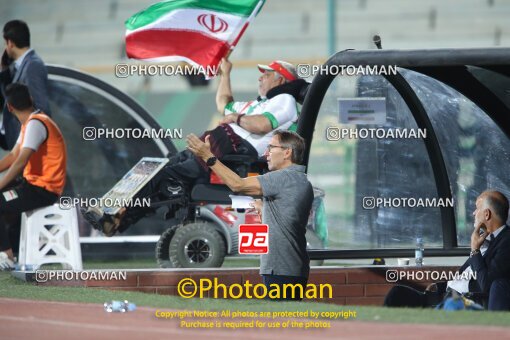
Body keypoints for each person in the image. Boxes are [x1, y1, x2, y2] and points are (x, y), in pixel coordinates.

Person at [84, 58, 306, 236]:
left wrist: (235, 118)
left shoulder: (284, 99)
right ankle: (117, 217)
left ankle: (115, 213)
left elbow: (261, 124)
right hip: (221, 142)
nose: (260, 77)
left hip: (233, 148)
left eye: (266, 74)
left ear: (280, 80)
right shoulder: (259, 103)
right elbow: (223, 104)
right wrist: (225, 74)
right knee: (158, 170)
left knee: (166, 175)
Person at [187, 130, 314, 300]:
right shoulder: (298, 179)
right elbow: (287, 221)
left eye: (271, 148)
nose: (265, 153)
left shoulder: (283, 178)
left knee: (278, 324)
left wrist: (208, 157)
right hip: (288, 268)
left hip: (281, 270)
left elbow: (237, 184)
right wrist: (265, 210)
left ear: (287, 152)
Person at [384, 190, 510, 310]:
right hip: (444, 296)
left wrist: (475, 250)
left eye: (477, 208)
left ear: (487, 214)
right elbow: (466, 275)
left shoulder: (506, 241)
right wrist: (441, 285)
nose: (473, 213)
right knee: (398, 293)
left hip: (460, 302)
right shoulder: (485, 239)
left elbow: (487, 284)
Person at [0, 83, 66, 270]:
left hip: (43, 190)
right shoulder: (31, 122)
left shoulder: (36, 124)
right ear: (30, 99)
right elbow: (13, 157)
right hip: (31, 186)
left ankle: (6, 255)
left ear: (10, 108)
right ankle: (10, 252)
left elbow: (20, 161)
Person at [0, 20, 50, 150]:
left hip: (27, 149)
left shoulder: (33, 66)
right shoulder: (22, 66)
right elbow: (7, 98)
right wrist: (4, 69)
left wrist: (27, 145)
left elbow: (41, 109)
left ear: (10, 43)